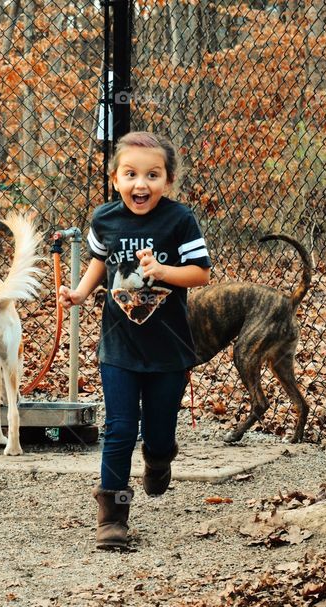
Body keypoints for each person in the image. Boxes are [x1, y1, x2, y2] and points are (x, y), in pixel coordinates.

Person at [58, 131, 212, 550]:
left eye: (152, 175)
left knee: (158, 430)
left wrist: (163, 271)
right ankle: (112, 517)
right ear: (115, 178)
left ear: (168, 181)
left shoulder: (179, 221)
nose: (140, 184)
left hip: (168, 348)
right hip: (119, 347)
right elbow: (98, 262)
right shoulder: (104, 219)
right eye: (130, 174)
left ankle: (160, 457)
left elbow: (200, 273)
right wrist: (80, 292)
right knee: (121, 428)